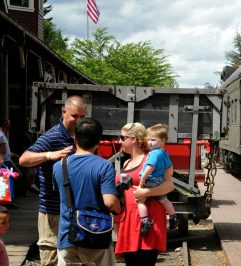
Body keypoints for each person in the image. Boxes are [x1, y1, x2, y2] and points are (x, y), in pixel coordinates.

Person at [19, 95, 87, 266]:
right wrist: (49, 155)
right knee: (51, 259)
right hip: (52, 211)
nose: (78, 120)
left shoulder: (83, 136)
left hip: (76, 211)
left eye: (82, 116)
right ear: (64, 112)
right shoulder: (53, 136)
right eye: (74, 116)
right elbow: (24, 159)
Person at [53, 118, 120, 265]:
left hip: (67, 235)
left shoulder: (59, 166)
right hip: (96, 235)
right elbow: (109, 202)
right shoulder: (104, 166)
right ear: (99, 141)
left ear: (75, 138)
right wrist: (118, 206)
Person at [114, 122, 174, 266]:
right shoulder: (127, 162)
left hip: (147, 222)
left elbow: (169, 185)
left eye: (122, 138)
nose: (119, 141)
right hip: (128, 220)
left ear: (133, 139)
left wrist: (146, 192)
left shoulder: (151, 158)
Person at [138, 124, 178, 234]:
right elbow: (169, 168)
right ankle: (173, 216)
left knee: (140, 200)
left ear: (163, 140)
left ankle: (145, 221)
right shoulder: (164, 152)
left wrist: (143, 178)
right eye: (148, 139)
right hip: (159, 181)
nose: (150, 142)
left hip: (150, 180)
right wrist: (166, 177)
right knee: (164, 200)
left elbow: (151, 166)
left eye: (153, 140)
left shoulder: (154, 153)